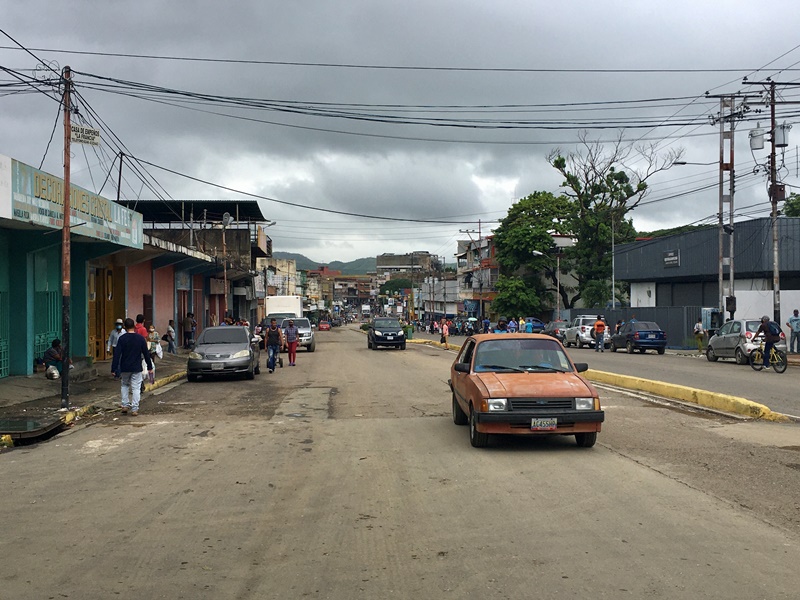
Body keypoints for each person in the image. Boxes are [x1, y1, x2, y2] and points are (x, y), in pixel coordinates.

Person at [111, 318, 153, 416]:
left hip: (125, 367)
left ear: (124, 327)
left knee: (125, 385)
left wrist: (114, 369)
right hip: (136, 367)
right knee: (136, 388)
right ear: (134, 327)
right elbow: (146, 354)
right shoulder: (140, 339)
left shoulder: (122, 339)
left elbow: (117, 355)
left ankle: (125, 405)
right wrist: (149, 366)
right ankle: (135, 408)